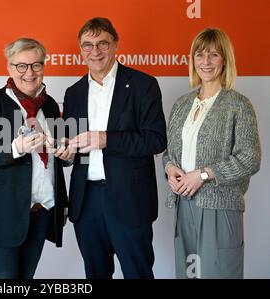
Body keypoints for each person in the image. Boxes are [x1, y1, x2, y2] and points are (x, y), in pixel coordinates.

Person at [54, 17, 166, 278]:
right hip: (87, 202)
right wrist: (68, 154)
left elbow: (156, 140)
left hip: (130, 199)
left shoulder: (143, 85)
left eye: (102, 43)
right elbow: (75, 147)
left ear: (115, 45)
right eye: (88, 45)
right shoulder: (74, 92)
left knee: (137, 273)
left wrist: (106, 139)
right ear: (80, 50)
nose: (95, 52)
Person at [162, 28, 261, 279]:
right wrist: (170, 169)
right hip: (184, 204)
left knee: (219, 274)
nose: (205, 62)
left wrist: (204, 175)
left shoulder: (238, 104)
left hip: (220, 205)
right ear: (193, 59)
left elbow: (250, 158)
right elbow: (169, 153)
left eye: (214, 55)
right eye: (200, 55)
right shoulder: (183, 104)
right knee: (188, 274)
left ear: (225, 60)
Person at [0, 38, 67, 279]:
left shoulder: (50, 107)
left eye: (36, 65)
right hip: (4, 215)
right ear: (9, 68)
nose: (29, 73)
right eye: (21, 66)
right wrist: (16, 147)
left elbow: (57, 156)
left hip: (42, 211)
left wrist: (67, 154)